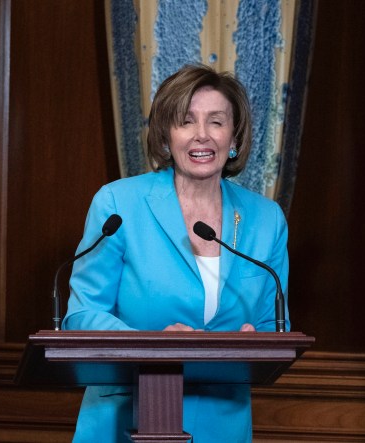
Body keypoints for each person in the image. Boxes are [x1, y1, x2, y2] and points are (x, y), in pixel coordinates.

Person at [63, 64, 290, 442]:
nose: (202, 136)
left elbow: (273, 324)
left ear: (234, 138)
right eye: (186, 121)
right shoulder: (119, 203)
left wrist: (256, 340)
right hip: (127, 416)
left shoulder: (267, 219)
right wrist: (152, 345)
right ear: (167, 138)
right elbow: (82, 314)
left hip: (222, 422)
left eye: (216, 122)